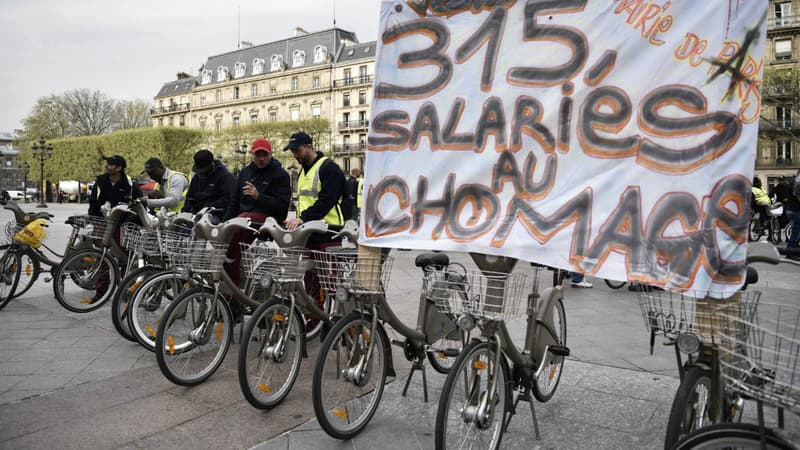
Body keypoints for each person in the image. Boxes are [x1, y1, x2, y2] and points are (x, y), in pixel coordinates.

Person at [284, 131, 347, 330]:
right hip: (309, 232)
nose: (295, 155)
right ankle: (315, 317)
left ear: (309, 146)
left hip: (328, 230)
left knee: (331, 281)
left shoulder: (328, 167)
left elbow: (327, 200)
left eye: (298, 150)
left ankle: (343, 323)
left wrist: (303, 218)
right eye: (293, 151)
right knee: (311, 279)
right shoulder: (303, 171)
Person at [223, 138, 291, 288]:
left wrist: (259, 197)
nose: (261, 158)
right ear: (252, 154)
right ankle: (233, 277)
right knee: (228, 231)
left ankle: (232, 286)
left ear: (270, 154)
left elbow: (282, 207)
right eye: (257, 155)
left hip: (267, 219)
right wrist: (224, 223)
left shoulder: (280, 174)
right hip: (244, 217)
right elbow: (234, 200)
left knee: (238, 227)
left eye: (264, 155)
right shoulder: (245, 172)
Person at [182, 149, 236, 218]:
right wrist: (187, 210)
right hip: (196, 213)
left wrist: (207, 206)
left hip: (216, 214)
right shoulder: (197, 177)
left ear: (211, 164)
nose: (201, 173)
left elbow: (228, 200)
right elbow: (190, 197)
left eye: (204, 170)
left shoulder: (225, 176)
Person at [786, 171, 800, 252]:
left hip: (791, 209)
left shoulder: (793, 181)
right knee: (796, 232)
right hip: (796, 210)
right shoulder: (798, 182)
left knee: (796, 231)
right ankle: (791, 251)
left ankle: (793, 249)